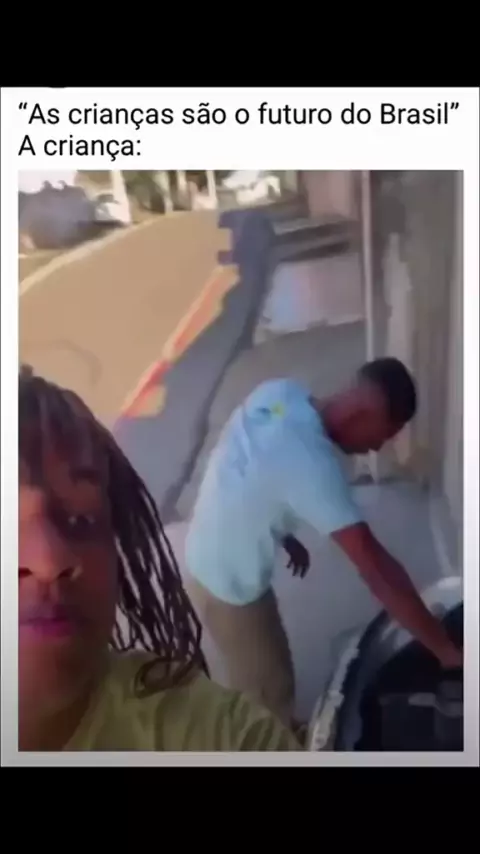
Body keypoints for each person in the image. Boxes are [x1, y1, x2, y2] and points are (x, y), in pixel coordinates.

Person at [19, 367, 301, 751]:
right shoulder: (308, 456)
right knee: (268, 678)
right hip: (227, 579)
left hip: (220, 565)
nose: (49, 560)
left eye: (82, 519)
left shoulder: (217, 737)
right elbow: (360, 546)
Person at [185, 358, 463, 727]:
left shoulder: (281, 395)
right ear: (362, 414)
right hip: (228, 588)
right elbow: (377, 569)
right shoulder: (313, 468)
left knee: (269, 671)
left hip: (202, 549)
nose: (376, 448)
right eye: (383, 435)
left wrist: (282, 533)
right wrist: (445, 650)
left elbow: (250, 463)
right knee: (268, 693)